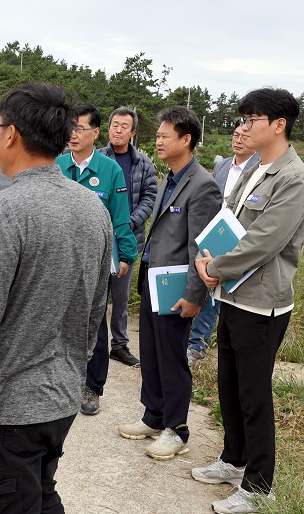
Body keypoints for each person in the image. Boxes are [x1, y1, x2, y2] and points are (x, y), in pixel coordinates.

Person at [0, 82, 112, 514]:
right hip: (62, 397)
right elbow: (95, 309)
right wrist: (76, 368)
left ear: (10, 133)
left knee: (15, 501)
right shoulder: (93, 208)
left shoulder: (6, 210)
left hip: (12, 408)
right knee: (41, 493)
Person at [192, 89, 304, 514]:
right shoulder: (255, 169)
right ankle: (232, 459)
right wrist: (209, 258)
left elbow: (265, 242)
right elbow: (229, 219)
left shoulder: (294, 178)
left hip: (263, 303)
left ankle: (260, 486)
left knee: (254, 393)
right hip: (233, 295)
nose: (243, 128)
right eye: (242, 119)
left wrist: (216, 267)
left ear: (278, 125)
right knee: (229, 385)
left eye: (251, 119)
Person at [117, 106, 221, 461]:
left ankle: (176, 429)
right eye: (157, 135)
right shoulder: (170, 177)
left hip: (177, 288)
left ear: (186, 139)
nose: (158, 141)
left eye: (164, 136)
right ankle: (154, 415)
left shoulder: (203, 185)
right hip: (152, 281)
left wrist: (195, 295)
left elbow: (200, 248)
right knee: (152, 353)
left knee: (173, 357)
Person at [55, 104, 137, 416]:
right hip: (57, 260)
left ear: (95, 133)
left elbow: (120, 218)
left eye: (80, 128)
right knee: (56, 321)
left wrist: (126, 254)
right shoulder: (57, 166)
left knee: (93, 324)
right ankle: (59, 380)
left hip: (95, 263)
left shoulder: (109, 170)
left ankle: (92, 387)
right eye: (69, 128)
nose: (72, 134)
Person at [187, 120, 260, 365]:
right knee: (205, 285)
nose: (238, 139)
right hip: (215, 232)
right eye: (235, 134)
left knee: (222, 290)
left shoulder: (260, 167)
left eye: (244, 135)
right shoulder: (222, 166)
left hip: (240, 238)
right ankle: (195, 342)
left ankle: (200, 344)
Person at [100, 106, 158, 367]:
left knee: (120, 297)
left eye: (124, 126)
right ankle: (92, 343)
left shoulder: (143, 163)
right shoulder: (98, 158)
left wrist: (128, 222)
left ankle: (119, 345)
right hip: (99, 238)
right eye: (114, 125)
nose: (118, 130)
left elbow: (150, 197)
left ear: (133, 132)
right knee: (95, 295)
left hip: (128, 239)